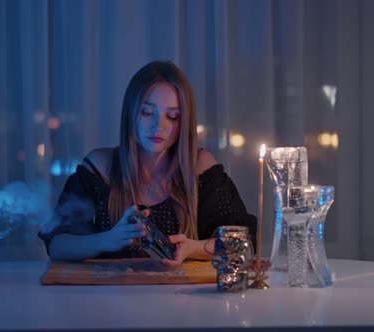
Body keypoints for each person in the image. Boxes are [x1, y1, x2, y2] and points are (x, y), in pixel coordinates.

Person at [39, 60, 256, 268]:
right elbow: (57, 245)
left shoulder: (199, 168)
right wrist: (107, 240)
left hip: (183, 302)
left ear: (184, 123)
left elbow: (245, 241)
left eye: (172, 116)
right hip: (108, 301)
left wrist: (193, 249)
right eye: (147, 112)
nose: (158, 126)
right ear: (131, 114)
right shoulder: (101, 167)